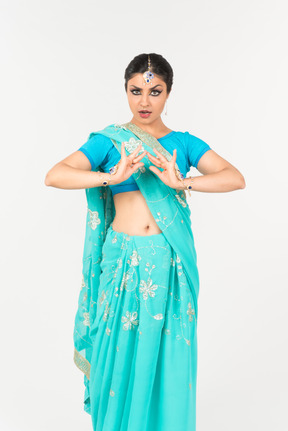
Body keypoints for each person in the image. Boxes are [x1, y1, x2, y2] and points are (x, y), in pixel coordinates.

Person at [45, 53, 245, 431]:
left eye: (155, 91)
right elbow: (55, 175)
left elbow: (234, 178)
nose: (144, 102)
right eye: (136, 91)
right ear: (125, 90)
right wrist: (109, 176)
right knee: (112, 359)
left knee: (167, 358)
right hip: (120, 262)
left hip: (168, 266)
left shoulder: (182, 144)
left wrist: (181, 182)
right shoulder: (108, 143)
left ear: (168, 94)